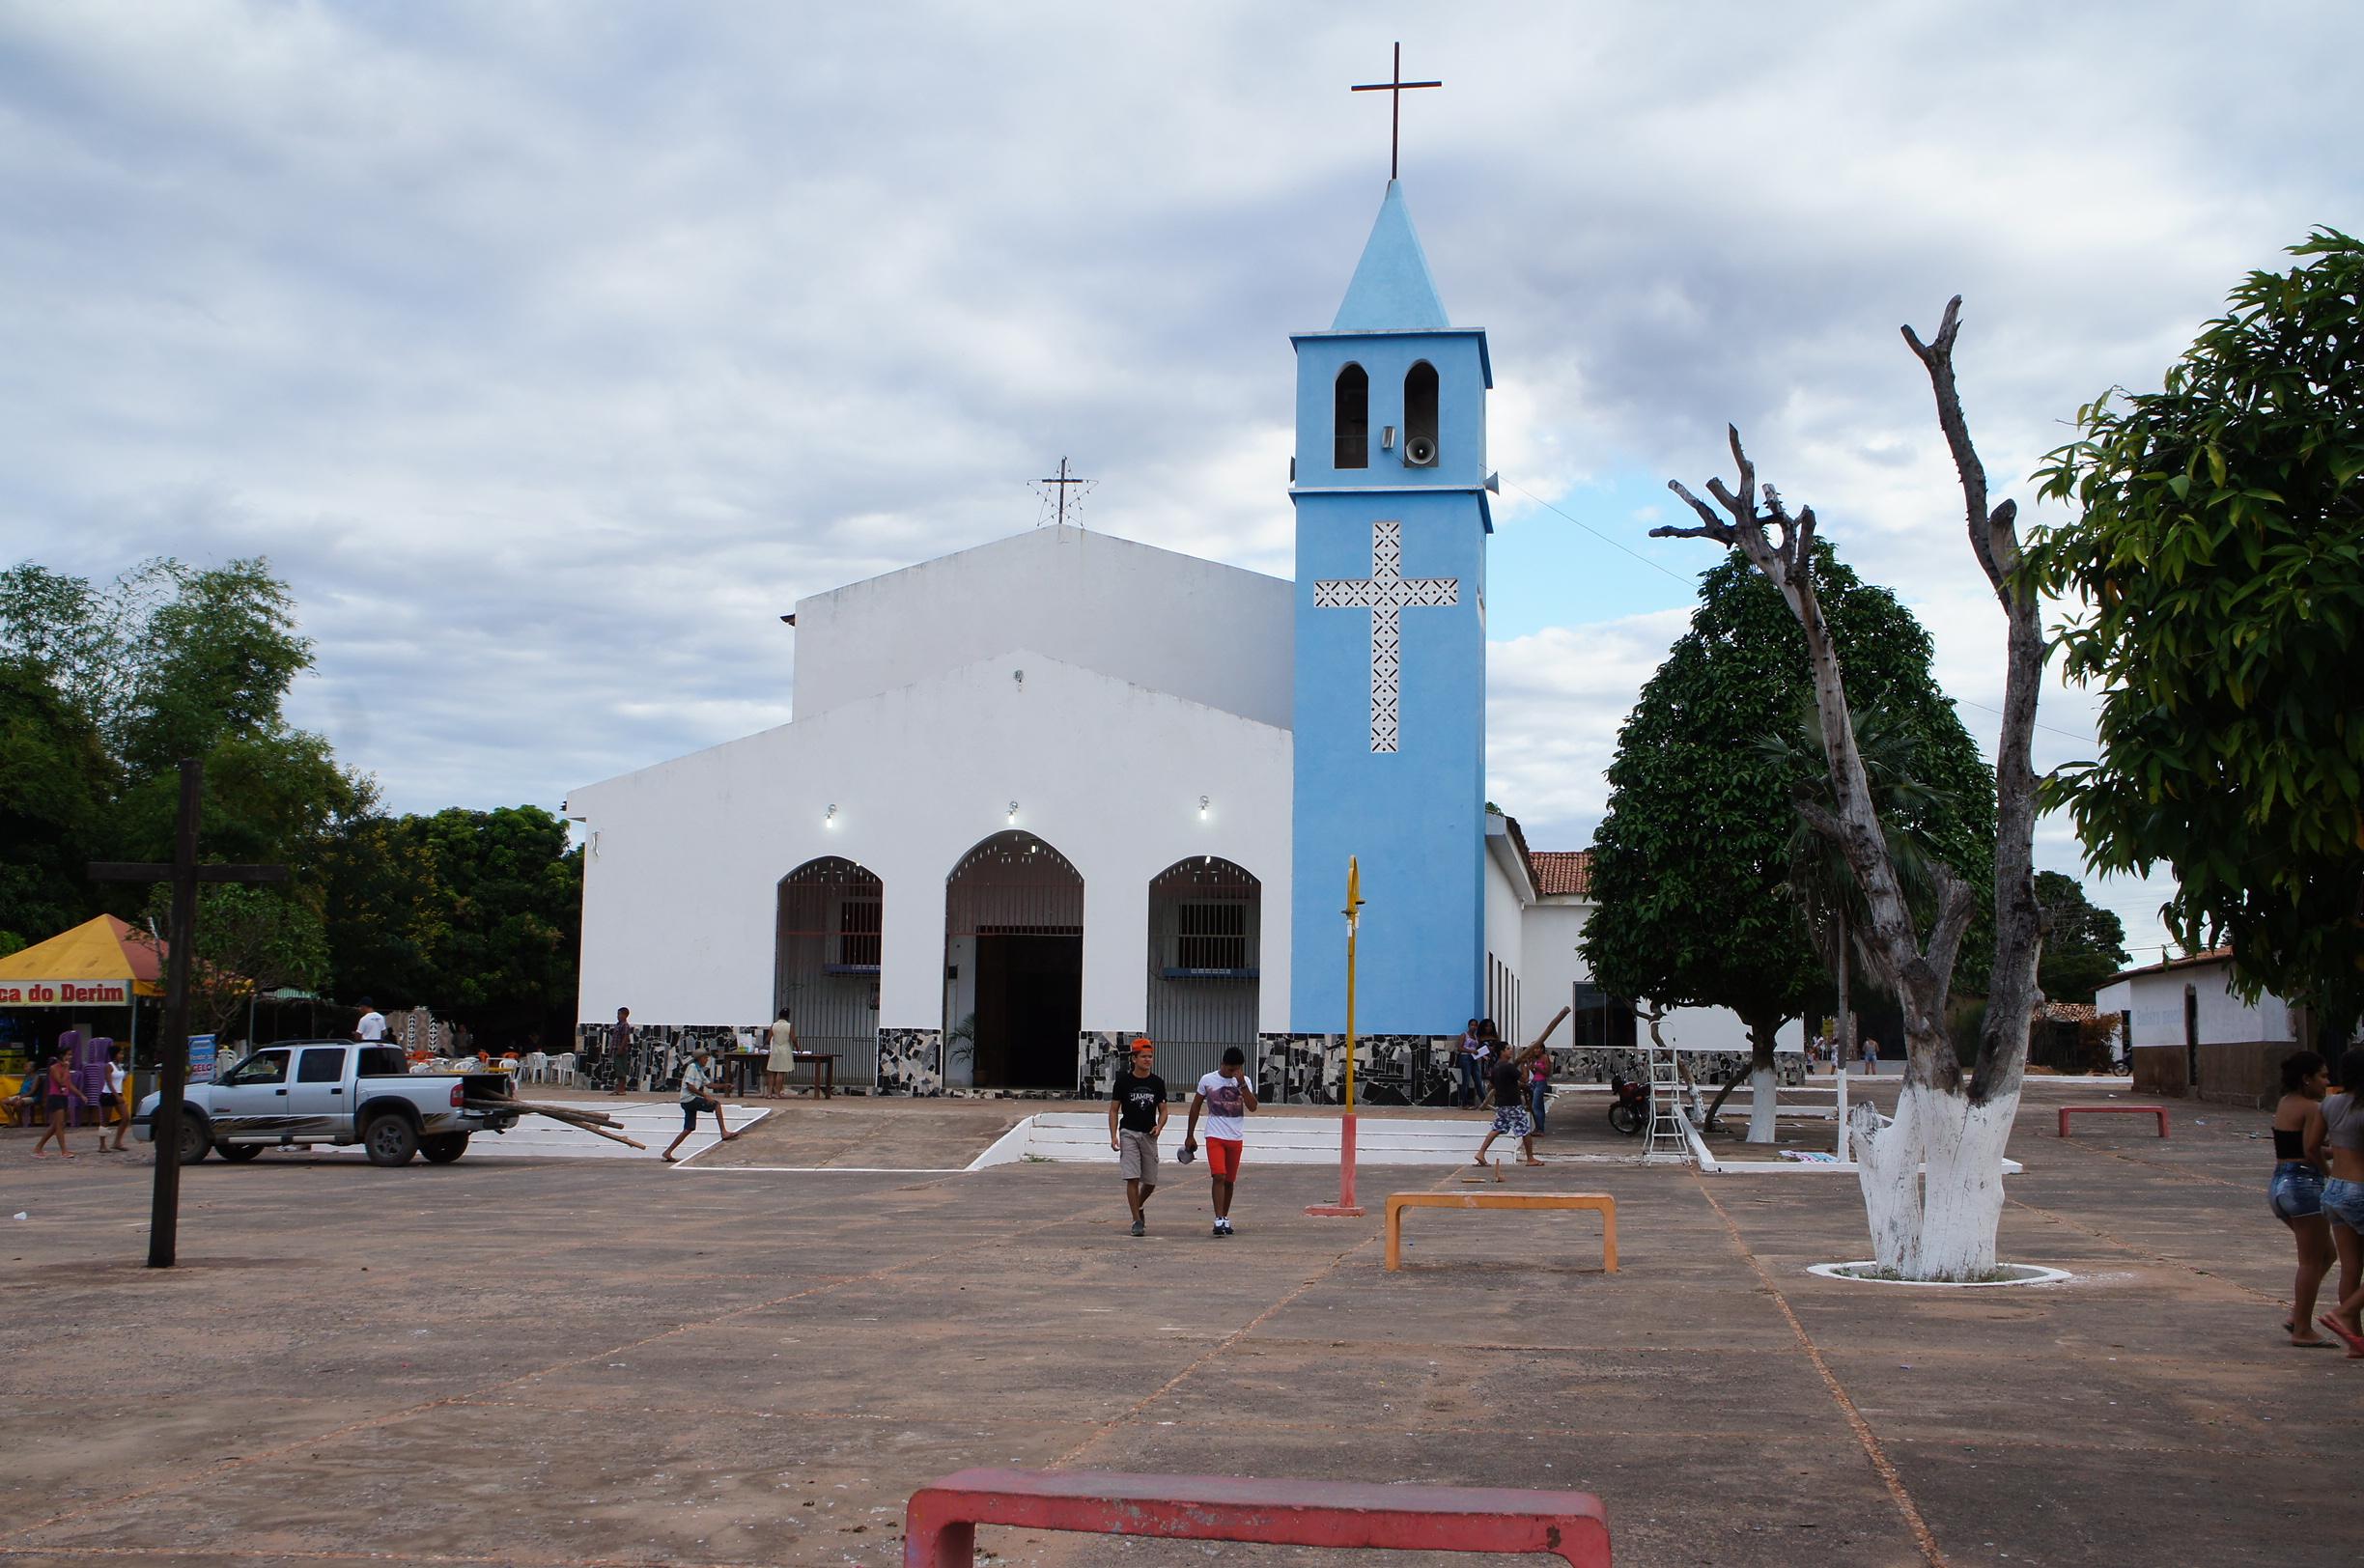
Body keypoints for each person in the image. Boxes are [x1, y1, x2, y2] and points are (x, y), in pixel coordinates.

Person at [2268, 1050, 2335, 1347]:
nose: (2327, 1081)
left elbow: (2296, 1145)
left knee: (2326, 1254)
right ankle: (2303, 1330)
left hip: (2280, 1183)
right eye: (2322, 1075)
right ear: (2306, 1079)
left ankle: (2298, 1315)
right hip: (2304, 1184)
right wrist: (2329, 1172)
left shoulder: (2285, 1103)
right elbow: (2311, 1150)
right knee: (2310, 1261)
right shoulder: (2312, 1108)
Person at [2314, 1046, 2364, 1357]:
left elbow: (2312, 1145)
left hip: (2334, 1189)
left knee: (2351, 1268)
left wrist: (2330, 1170)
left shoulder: (2330, 1104)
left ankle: (2356, 1341)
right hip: (2360, 1189)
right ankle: (2342, 1314)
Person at [1181, 1046, 1257, 1237]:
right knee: (1219, 1175)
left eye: (1237, 1069)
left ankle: (1225, 1216)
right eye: (1230, 1069)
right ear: (1222, 1064)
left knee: (1230, 1180)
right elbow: (1196, 1107)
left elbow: (1253, 1106)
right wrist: (1190, 1135)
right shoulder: (1208, 1080)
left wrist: (1242, 1085)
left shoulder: (1244, 1081)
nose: (1233, 1073)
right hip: (1214, 1135)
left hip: (1235, 1136)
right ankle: (1218, 1217)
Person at [1107, 1038, 1168, 1236]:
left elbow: (1164, 1110)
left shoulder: (1157, 1083)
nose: (1147, 1060)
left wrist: (1159, 1126)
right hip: (1129, 1133)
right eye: (1143, 1057)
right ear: (1134, 1058)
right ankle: (1136, 1221)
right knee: (1132, 1177)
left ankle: (1138, 1205)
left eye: (1150, 1057)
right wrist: (1113, 1135)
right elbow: (1114, 1110)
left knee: (1150, 1182)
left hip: (1148, 1135)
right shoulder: (1124, 1082)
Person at [661, 1044, 742, 1162]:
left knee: (689, 1128)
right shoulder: (692, 1068)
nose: (706, 1060)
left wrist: (724, 1086)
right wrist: (705, 1095)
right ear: (699, 1059)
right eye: (705, 1058)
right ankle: (724, 1132)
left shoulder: (699, 1070)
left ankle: (668, 1151)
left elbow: (708, 1084)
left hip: (688, 1101)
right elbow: (690, 1086)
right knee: (716, 1104)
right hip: (689, 1099)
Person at [1476, 1048, 1542, 1168]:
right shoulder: (1509, 1067)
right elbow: (1525, 1079)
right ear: (1501, 1052)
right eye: (1507, 1049)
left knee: (1497, 1128)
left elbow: (1492, 1085)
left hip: (1501, 1103)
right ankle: (1530, 1158)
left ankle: (1481, 1153)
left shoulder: (1495, 1068)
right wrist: (1524, 1064)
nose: (1510, 1051)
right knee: (1525, 1130)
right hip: (1513, 1104)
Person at [30, 1050, 87, 1160]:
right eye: (68, 1055)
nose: (70, 1057)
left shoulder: (66, 1068)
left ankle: (38, 1147)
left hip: (63, 1097)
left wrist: (80, 1095)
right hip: (55, 1097)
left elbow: (68, 1084)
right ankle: (63, 1151)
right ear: (62, 1055)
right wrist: (66, 1068)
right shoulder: (54, 1068)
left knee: (56, 1125)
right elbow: (60, 1081)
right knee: (59, 1124)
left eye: (71, 1054)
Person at [100, 1044, 130, 1152]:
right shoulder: (109, 1066)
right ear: (115, 1055)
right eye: (120, 1054)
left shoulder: (119, 1066)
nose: (122, 1056)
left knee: (126, 1117)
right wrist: (116, 1095)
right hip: (108, 1094)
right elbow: (109, 1082)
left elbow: (121, 1079)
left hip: (118, 1093)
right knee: (105, 1120)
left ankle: (117, 1142)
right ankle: (102, 1145)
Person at [765, 1008, 797, 1099]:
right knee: (780, 1072)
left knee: (771, 1071)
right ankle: (777, 1093)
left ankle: (769, 1093)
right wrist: (798, 1049)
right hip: (785, 1049)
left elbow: (768, 1039)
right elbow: (793, 1039)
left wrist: (762, 1047)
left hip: (775, 1049)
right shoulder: (789, 1026)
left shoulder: (774, 1025)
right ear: (788, 1016)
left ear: (779, 1015)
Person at [1453, 1019, 1485, 1108]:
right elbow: (1459, 1048)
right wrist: (1471, 1051)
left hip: (1473, 1059)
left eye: (1475, 1025)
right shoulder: (1464, 1035)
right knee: (1466, 1081)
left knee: (1478, 1080)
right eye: (1472, 1025)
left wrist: (1482, 1055)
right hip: (1465, 1058)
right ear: (1468, 1026)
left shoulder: (1476, 1037)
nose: (1473, 1027)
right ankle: (1464, 1103)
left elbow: (1476, 1050)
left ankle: (1485, 1101)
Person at [1525, 1040, 1553, 1135]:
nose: (1535, 1050)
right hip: (1534, 1082)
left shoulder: (1545, 1058)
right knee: (1538, 1106)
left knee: (1535, 1106)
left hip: (1541, 1082)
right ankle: (1538, 1127)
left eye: (1537, 1048)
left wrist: (1538, 1067)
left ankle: (1540, 1128)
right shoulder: (1534, 1059)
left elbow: (1547, 1073)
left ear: (1542, 1049)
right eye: (1534, 1049)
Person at [607, 1007, 633, 1096]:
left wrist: (621, 1048)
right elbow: (614, 1039)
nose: (618, 1016)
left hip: (621, 1051)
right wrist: (611, 1050)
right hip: (615, 1049)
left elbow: (625, 1037)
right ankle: (618, 1088)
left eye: (620, 1014)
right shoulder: (618, 1024)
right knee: (617, 1069)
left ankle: (621, 1089)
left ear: (625, 1015)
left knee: (621, 1070)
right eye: (618, 1014)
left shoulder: (625, 1025)